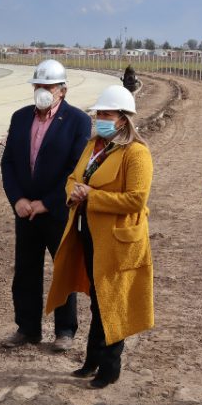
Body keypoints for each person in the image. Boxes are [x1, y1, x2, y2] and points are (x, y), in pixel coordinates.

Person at [46, 84, 154, 388]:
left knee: (112, 301)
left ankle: (110, 366)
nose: (100, 119)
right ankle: (92, 361)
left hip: (119, 240)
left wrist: (92, 196)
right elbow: (72, 178)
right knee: (97, 299)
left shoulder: (137, 154)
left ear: (123, 119)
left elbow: (136, 200)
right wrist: (75, 192)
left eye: (106, 114)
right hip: (89, 234)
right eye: (99, 114)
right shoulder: (94, 146)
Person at [0, 59, 92, 349]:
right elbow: (9, 163)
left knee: (63, 270)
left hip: (57, 211)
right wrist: (18, 200)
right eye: (38, 85)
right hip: (25, 211)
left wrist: (48, 203)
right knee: (26, 270)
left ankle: (65, 331)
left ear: (62, 90)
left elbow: (75, 170)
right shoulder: (20, 117)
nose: (42, 91)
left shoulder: (78, 121)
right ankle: (27, 329)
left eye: (48, 86)